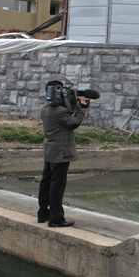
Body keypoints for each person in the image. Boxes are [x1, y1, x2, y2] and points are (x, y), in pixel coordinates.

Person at [38, 80, 88, 228]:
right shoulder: (59, 112)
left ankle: (43, 213)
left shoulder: (46, 108)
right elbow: (73, 123)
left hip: (50, 151)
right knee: (57, 186)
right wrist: (80, 108)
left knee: (46, 182)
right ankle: (56, 218)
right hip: (60, 152)